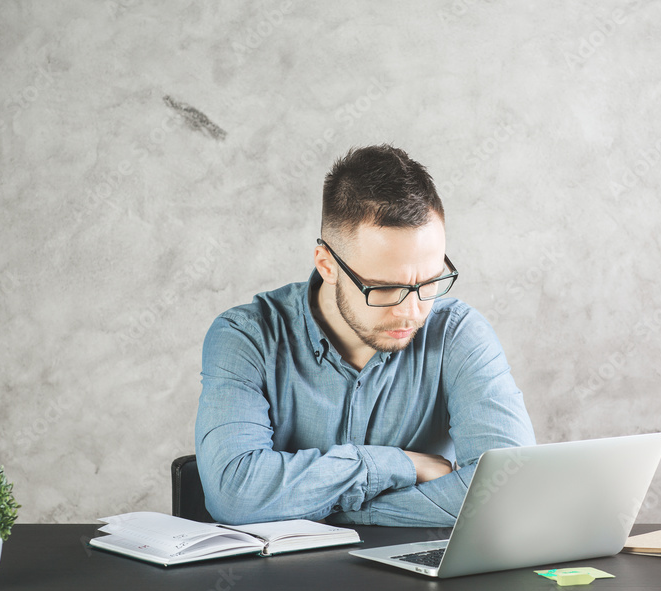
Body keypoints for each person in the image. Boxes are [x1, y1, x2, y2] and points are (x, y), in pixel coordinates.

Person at [195, 144, 535, 526]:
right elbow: (235, 496)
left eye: (430, 281)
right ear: (327, 265)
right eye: (385, 288)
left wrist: (342, 508)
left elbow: (512, 492)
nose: (412, 310)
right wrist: (396, 465)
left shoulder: (458, 334)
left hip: (423, 581)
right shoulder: (247, 337)